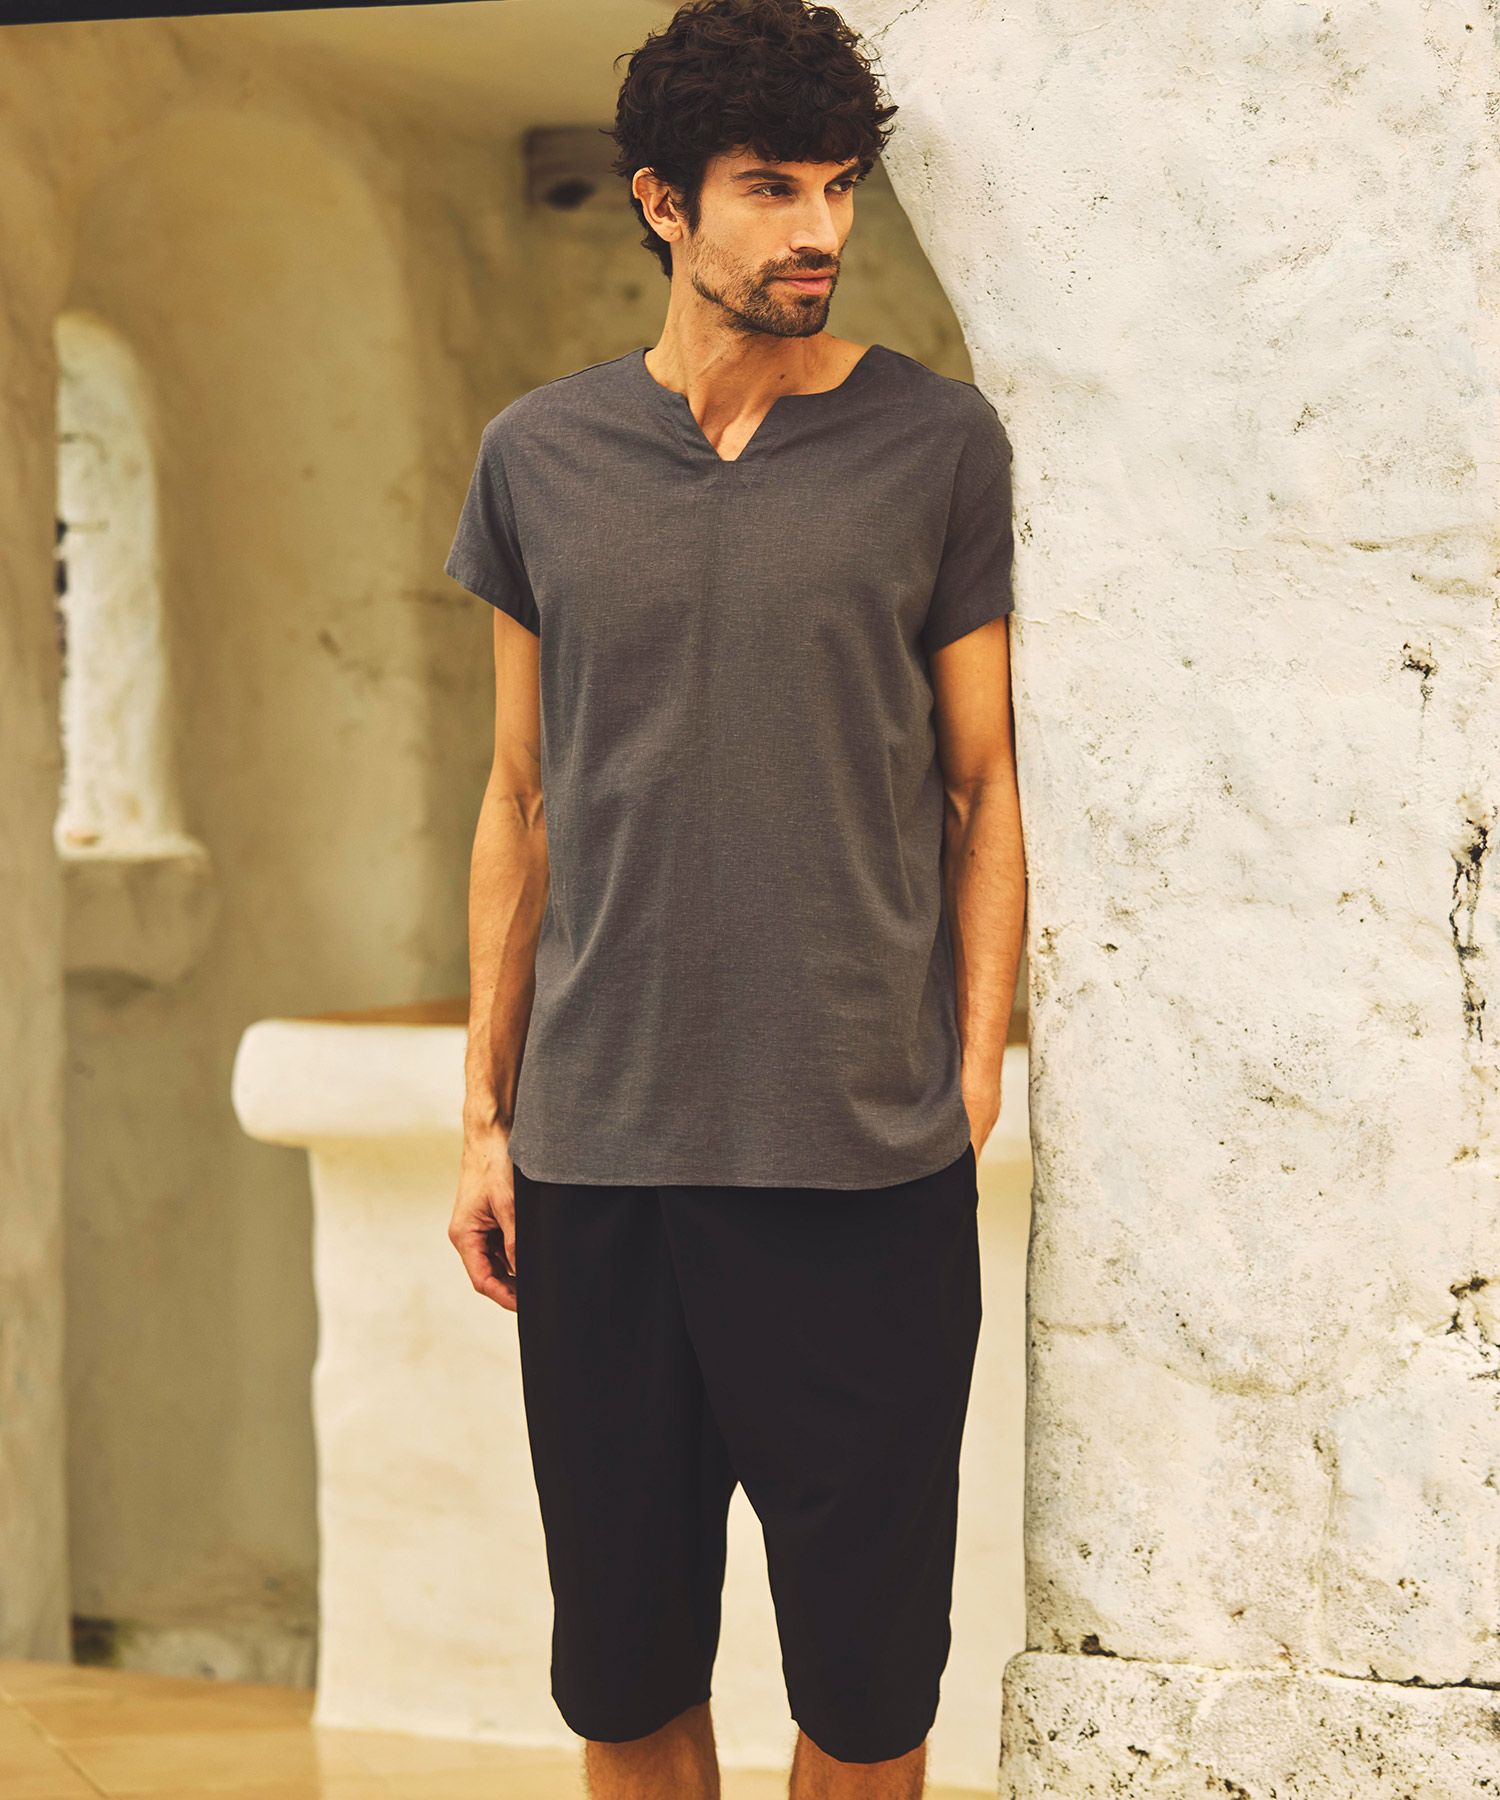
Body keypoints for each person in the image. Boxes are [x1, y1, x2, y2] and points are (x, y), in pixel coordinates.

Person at [444, 1, 1026, 1793]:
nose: (820, 229)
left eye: (839, 187)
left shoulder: (938, 445)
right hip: (602, 1169)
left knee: (866, 1697)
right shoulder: (538, 457)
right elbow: (522, 797)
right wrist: (484, 1117)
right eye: (772, 187)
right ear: (662, 204)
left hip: (861, 1170)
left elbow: (983, 781)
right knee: (626, 1690)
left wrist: (971, 1068)